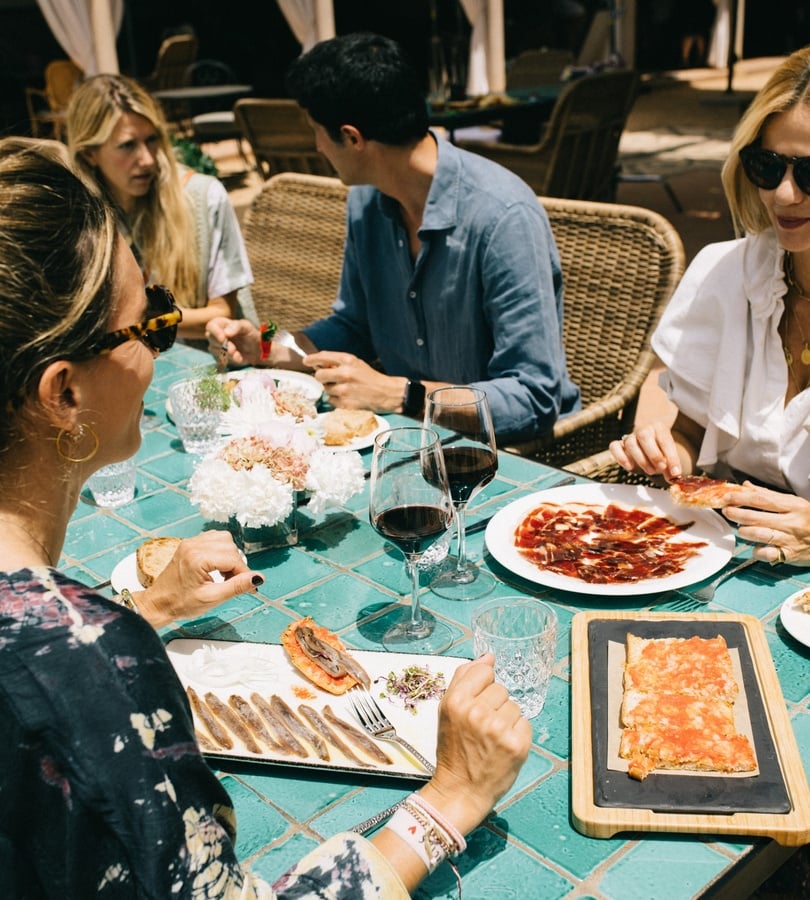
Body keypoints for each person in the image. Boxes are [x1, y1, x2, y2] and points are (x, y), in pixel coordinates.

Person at [0, 139, 531, 895]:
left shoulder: (87, 639)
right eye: (148, 324)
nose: (160, 346)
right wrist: (449, 803)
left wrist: (143, 610)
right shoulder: (93, 666)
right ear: (64, 394)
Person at [207, 32, 580, 444]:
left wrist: (400, 394)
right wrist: (265, 344)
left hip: (506, 455)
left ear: (352, 137)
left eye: (316, 130)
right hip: (408, 439)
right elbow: (353, 324)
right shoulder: (366, 200)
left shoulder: (503, 218)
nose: (315, 146)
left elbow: (533, 398)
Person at [610, 45, 810, 567]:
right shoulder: (727, 270)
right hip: (721, 553)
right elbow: (687, 430)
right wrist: (661, 451)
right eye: (768, 166)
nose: (785, 195)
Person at [66, 73, 257, 347]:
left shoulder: (203, 197)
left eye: (152, 140)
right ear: (89, 154)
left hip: (201, 361)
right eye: (128, 146)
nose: (146, 159)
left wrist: (127, 318)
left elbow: (221, 314)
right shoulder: (82, 212)